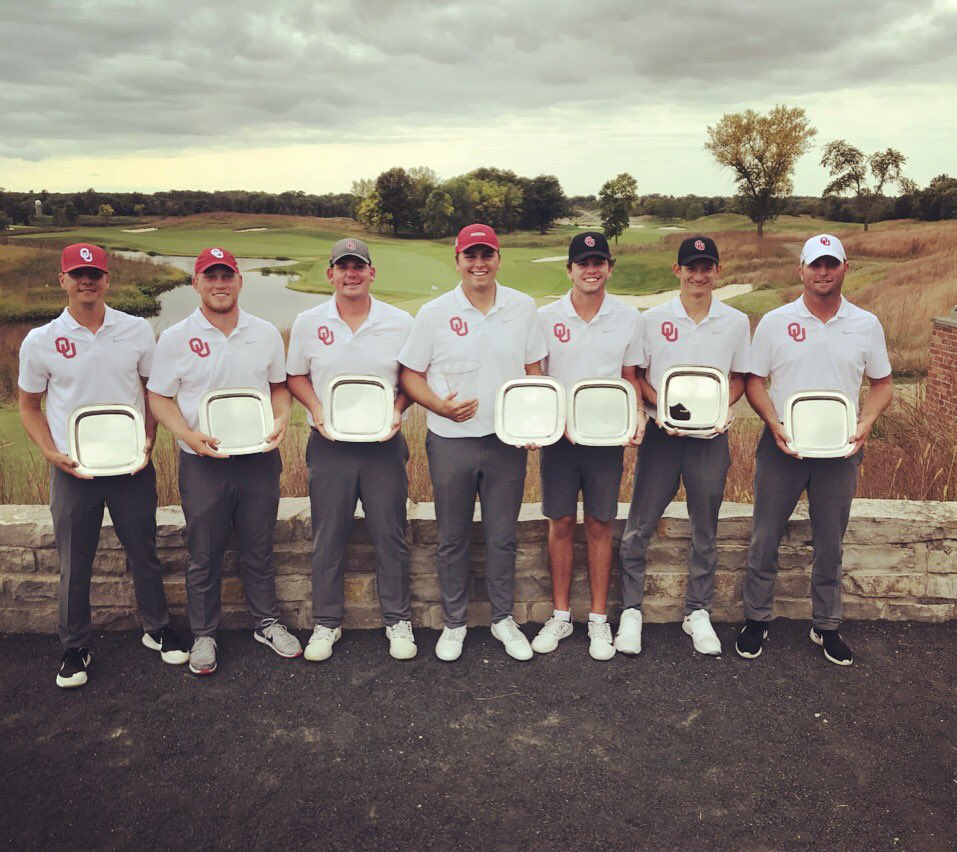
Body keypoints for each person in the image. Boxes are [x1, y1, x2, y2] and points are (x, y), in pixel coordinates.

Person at [18, 243, 187, 689]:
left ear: (107, 280)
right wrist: (50, 452)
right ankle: (75, 646)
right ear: (63, 280)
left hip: (130, 465)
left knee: (144, 552)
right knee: (75, 562)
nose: (86, 281)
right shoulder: (40, 340)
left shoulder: (136, 329)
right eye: (77, 274)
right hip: (74, 469)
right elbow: (29, 406)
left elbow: (152, 392)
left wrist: (148, 439)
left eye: (94, 274)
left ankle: (157, 628)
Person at [737, 234, 893, 666]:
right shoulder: (774, 322)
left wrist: (866, 422)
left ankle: (826, 624)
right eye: (815, 264)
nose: (823, 272)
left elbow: (882, 384)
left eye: (831, 264)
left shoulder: (866, 323)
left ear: (845, 268)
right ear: (801, 270)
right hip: (782, 446)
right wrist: (774, 423)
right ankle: (756, 618)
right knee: (765, 537)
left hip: (839, 450)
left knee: (830, 542)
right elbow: (754, 381)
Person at [147, 247, 302, 675]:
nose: (219, 284)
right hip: (204, 462)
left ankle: (267, 623)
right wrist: (187, 435)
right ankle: (204, 634)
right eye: (210, 276)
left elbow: (279, 387)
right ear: (195, 283)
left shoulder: (265, 332)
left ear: (239, 281)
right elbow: (158, 396)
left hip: (258, 458)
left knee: (258, 547)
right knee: (204, 553)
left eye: (227, 275)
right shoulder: (176, 337)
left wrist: (282, 418)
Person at [398, 224, 547, 662]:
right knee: (453, 537)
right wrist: (440, 408)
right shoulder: (434, 313)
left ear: (498, 258)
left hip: (506, 442)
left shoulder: (522, 307)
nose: (479, 264)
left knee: (502, 536)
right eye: (470, 256)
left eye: (486, 255)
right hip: (451, 441)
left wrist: (533, 422)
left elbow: (533, 370)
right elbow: (410, 375)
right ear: (458, 260)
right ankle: (454, 623)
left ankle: (503, 619)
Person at [618, 236, 750, 657]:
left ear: (718, 270)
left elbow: (739, 378)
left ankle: (697, 611)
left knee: (705, 529)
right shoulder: (653, 319)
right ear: (677, 270)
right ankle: (631, 611)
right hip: (662, 436)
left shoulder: (735, 322)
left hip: (709, 437)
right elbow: (636, 376)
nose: (699, 275)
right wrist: (663, 408)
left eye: (707, 267)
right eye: (691, 267)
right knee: (639, 525)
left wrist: (719, 409)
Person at [286, 238, 416, 662]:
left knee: (390, 534)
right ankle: (326, 623)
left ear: (371, 273)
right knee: (329, 536)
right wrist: (316, 409)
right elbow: (296, 376)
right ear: (331, 274)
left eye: (358, 266)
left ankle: (397, 619)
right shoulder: (308, 321)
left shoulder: (400, 321)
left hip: (383, 444)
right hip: (330, 446)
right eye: (343, 267)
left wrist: (397, 409)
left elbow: (413, 377)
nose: (351, 274)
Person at [530, 232, 646, 660]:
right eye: (583, 263)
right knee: (561, 521)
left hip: (606, 436)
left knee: (599, 523)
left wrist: (638, 415)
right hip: (560, 437)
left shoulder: (629, 317)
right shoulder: (545, 317)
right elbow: (536, 373)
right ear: (570, 270)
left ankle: (598, 619)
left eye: (598, 262)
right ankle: (561, 614)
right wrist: (550, 420)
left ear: (609, 268)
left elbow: (630, 377)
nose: (591, 270)